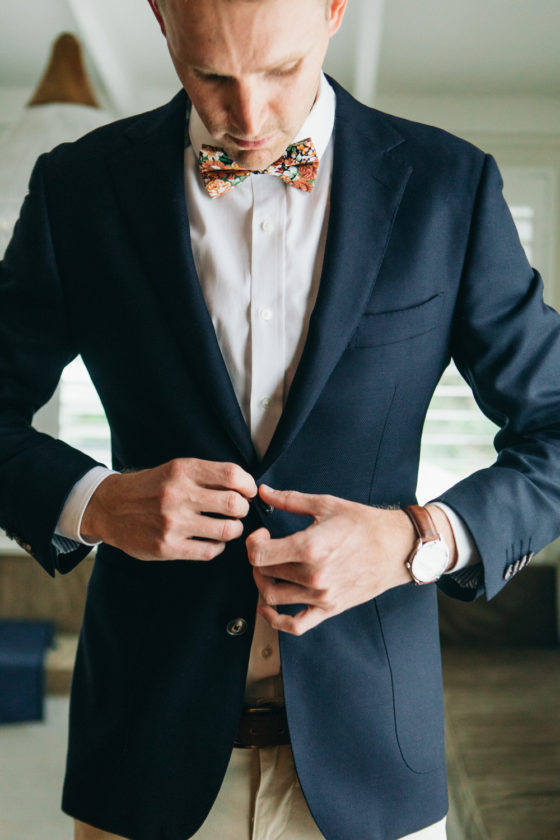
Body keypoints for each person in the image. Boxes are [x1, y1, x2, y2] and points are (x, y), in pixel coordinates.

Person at [1, 0, 560, 838]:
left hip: (375, 764)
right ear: (160, 19)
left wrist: (416, 539)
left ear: (335, 10)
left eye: (279, 70)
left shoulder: (451, 187)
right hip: (145, 762)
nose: (250, 118)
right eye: (211, 75)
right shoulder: (79, 189)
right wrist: (98, 502)